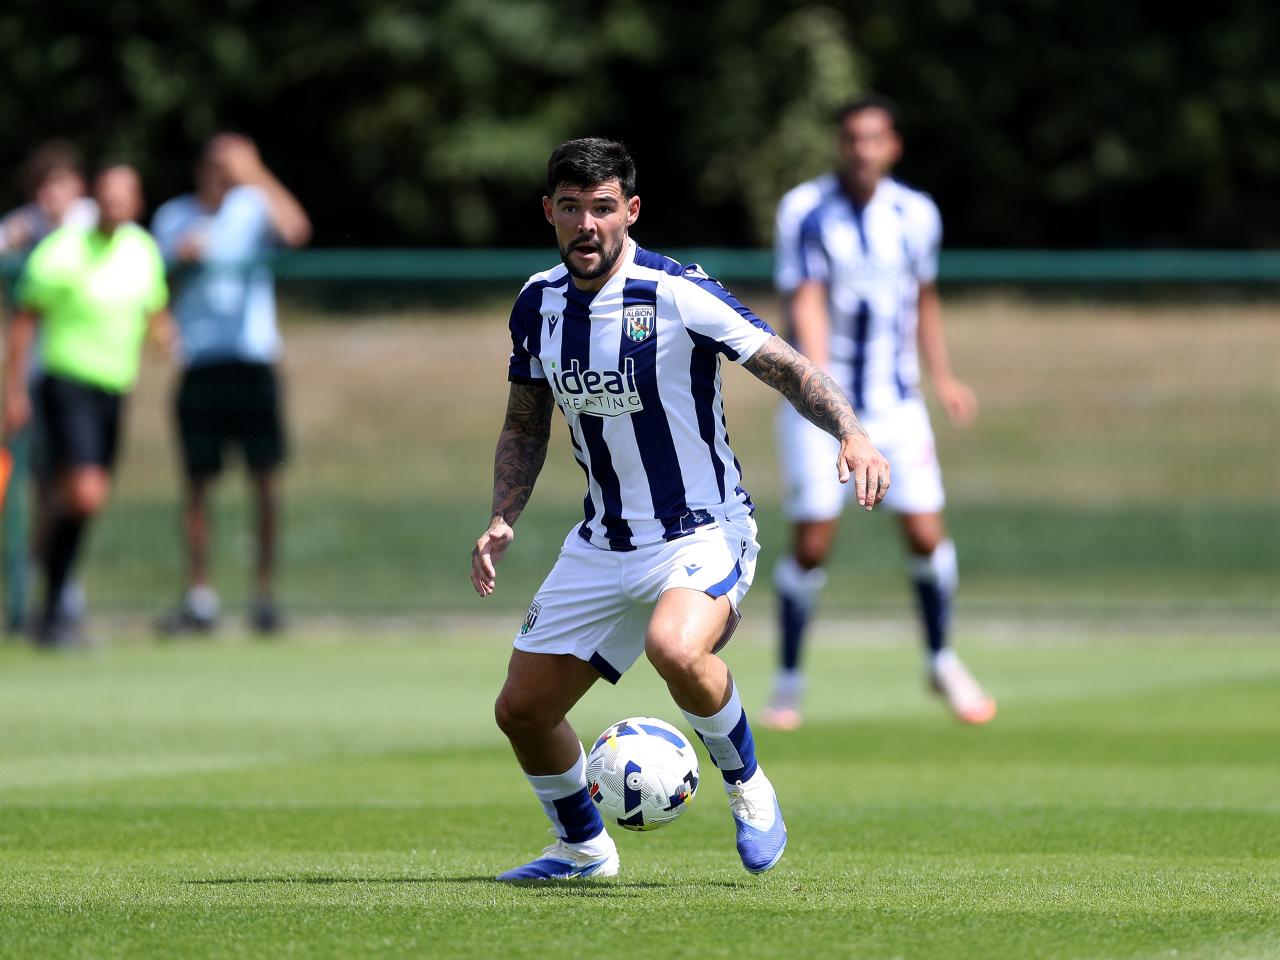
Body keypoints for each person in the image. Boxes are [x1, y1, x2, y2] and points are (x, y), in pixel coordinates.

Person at [471, 137, 891, 881]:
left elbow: (784, 365)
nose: (587, 224)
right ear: (549, 212)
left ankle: (749, 786)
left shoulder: (674, 291)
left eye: (603, 208)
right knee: (522, 710)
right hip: (603, 541)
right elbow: (526, 423)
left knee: (675, 647)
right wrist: (504, 516)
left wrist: (852, 433)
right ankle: (583, 849)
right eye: (571, 208)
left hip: (702, 530)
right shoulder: (537, 303)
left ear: (631, 211)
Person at [761, 95, 995, 731]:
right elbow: (805, 300)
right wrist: (825, 400)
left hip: (897, 403)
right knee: (812, 542)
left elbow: (924, 299)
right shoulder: (805, 210)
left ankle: (942, 659)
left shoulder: (916, 214)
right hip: (822, 406)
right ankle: (788, 680)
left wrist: (943, 377)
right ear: (840, 145)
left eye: (874, 138)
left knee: (925, 534)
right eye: (852, 138)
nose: (862, 150)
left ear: (893, 145)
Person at [2, 165, 168, 646]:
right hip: (65, 384)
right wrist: (13, 391)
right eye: (107, 195)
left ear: (137, 204)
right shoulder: (63, 250)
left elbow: (155, 313)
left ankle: (52, 607)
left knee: (81, 499)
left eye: (124, 196)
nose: (115, 203)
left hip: (114, 389)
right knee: (83, 494)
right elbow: (24, 320)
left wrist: (165, 337)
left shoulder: (142, 251)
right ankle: (47, 595)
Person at [151, 133, 311, 635]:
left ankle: (263, 597)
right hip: (200, 362)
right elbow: (150, 287)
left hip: (252, 361)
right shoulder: (174, 216)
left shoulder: (253, 207)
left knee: (264, 481)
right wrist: (178, 262)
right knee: (198, 484)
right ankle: (200, 596)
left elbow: (296, 231)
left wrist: (256, 173)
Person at [1, 141, 99, 628]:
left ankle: (56, 581)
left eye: (60, 184)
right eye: (43, 187)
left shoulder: (90, 226)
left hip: (78, 377)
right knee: (38, 482)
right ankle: (36, 583)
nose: (52, 196)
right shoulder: (22, 228)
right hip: (31, 376)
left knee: (73, 485)